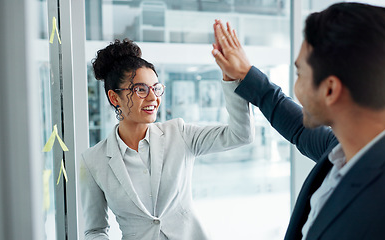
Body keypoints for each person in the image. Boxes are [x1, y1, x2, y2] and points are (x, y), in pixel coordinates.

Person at [211, 2, 385, 240]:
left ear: (330, 89)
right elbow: (298, 127)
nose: (297, 87)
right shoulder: (345, 150)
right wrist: (246, 74)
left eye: (300, 74)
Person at [79, 38, 254, 240]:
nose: (153, 98)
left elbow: (241, 134)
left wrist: (231, 80)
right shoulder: (93, 161)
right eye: (141, 90)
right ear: (114, 98)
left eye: (156, 88)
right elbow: (95, 230)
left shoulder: (179, 134)